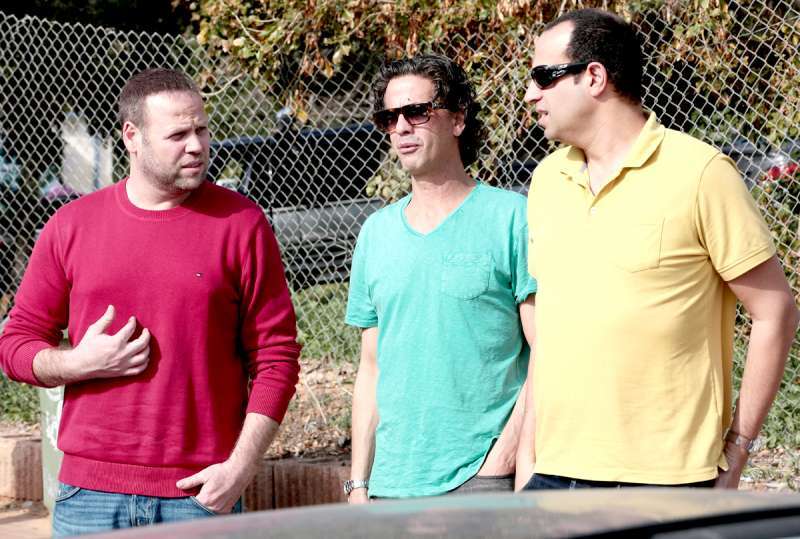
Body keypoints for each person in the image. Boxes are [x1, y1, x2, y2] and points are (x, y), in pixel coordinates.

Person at [0, 68, 301, 535]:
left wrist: (240, 468)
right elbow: (15, 344)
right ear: (132, 137)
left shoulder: (241, 223)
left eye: (202, 129)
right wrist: (78, 363)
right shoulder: (72, 226)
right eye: (178, 135)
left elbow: (276, 357)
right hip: (89, 499)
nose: (196, 145)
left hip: (199, 495)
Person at [517, 9, 799, 490]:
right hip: (554, 475)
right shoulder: (547, 181)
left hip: (666, 482)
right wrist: (529, 461)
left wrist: (738, 452)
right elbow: (552, 332)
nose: (530, 94)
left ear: (594, 77)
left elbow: (776, 312)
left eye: (544, 76)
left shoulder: (701, 173)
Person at [345, 54, 537, 502]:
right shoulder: (375, 233)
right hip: (388, 488)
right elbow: (371, 368)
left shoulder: (512, 217)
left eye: (417, 112)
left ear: (457, 120)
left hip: (480, 479)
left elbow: (547, 351)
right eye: (389, 117)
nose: (401, 128)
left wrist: (503, 459)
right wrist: (359, 483)